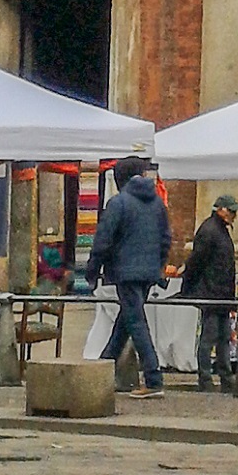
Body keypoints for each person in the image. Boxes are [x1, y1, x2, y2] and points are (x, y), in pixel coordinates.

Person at [81, 157, 171, 395]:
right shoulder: (157, 204)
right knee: (126, 320)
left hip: (125, 271)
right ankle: (104, 366)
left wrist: (92, 270)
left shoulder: (118, 203)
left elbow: (103, 240)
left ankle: (153, 379)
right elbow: (165, 240)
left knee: (136, 322)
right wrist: (158, 266)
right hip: (148, 272)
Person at [180, 194, 238, 393]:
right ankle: (205, 378)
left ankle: (224, 376)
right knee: (209, 337)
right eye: (231, 211)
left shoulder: (218, 229)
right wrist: (189, 286)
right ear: (220, 209)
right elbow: (197, 261)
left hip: (221, 293)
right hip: (212, 291)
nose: (234, 215)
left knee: (223, 337)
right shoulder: (210, 230)